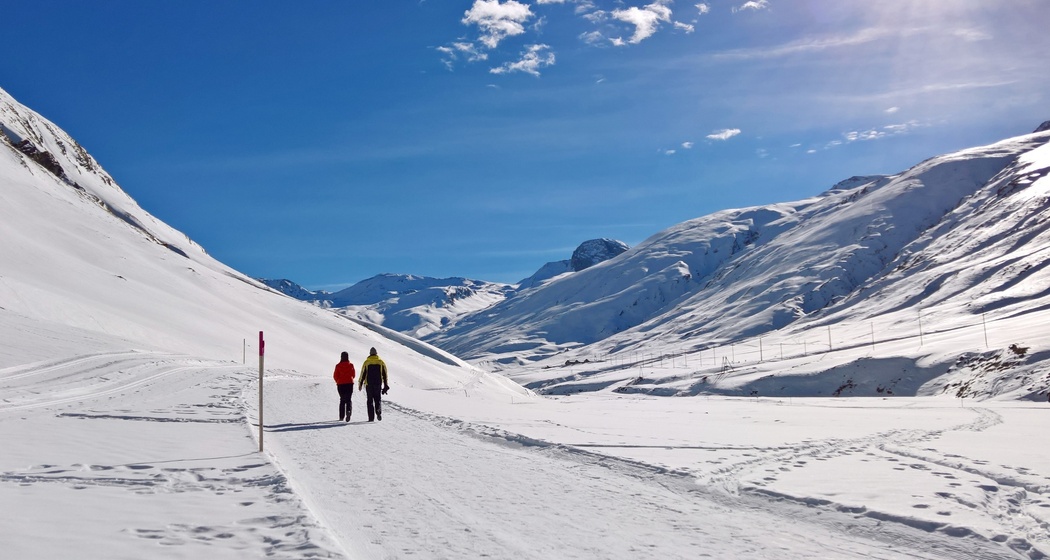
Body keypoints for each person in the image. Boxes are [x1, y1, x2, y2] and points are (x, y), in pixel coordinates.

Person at [358, 347, 389, 422]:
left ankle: (371, 418)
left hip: (369, 384)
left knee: (370, 401)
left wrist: (360, 383)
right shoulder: (381, 362)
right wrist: (385, 384)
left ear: (370, 353)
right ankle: (378, 411)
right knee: (377, 399)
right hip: (378, 384)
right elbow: (385, 374)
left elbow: (363, 373)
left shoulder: (366, 362)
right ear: (376, 353)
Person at [333, 351, 356, 422]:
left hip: (341, 384)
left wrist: (338, 381)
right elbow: (353, 375)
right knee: (348, 399)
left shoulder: (338, 366)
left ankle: (341, 417)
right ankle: (348, 411)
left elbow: (335, 376)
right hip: (349, 383)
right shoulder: (351, 365)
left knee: (342, 400)